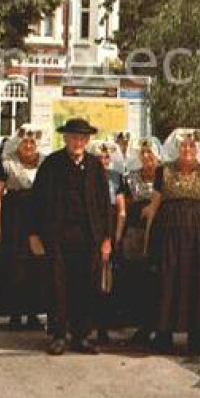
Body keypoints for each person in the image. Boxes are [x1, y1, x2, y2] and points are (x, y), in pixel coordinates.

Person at [28, 118, 112, 356]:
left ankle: (81, 336)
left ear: (87, 141)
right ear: (65, 138)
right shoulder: (51, 165)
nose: (78, 142)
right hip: (58, 236)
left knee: (86, 285)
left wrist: (107, 238)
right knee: (58, 285)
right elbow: (36, 201)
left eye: (83, 138)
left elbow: (105, 205)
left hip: (89, 237)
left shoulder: (96, 167)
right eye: (74, 137)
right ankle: (58, 335)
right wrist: (34, 233)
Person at [145, 128, 200, 355]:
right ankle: (163, 334)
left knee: (197, 281)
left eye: (191, 146)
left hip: (199, 236)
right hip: (169, 234)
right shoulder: (162, 171)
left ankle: (196, 337)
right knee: (168, 280)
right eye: (183, 146)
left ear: (198, 149)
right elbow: (155, 204)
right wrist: (148, 238)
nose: (187, 150)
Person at [0, 125, 48, 330]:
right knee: (14, 264)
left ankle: (34, 312)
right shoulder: (7, 163)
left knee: (37, 263)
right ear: (18, 144)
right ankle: (15, 312)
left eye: (32, 142)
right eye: (24, 142)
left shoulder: (45, 163)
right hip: (14, 219)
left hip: (37, 216)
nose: (28, 146)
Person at [120, 137, 163, 348]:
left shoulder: (165, 177)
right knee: (138, 278)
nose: (146, 157)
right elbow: (126, 206)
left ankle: (159, 327)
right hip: (136, 232)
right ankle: (142, 327)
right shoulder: (131, 178)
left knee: (158, 279)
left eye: (150, 153)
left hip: (159, 234)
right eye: (143, 153)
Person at [87, 138, 127, 345]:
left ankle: (103, 327)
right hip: (89, 231)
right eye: (99, 156)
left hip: (108, 230)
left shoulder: (116, 178)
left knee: (106, 281)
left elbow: (121, 210)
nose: (104, 159)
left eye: (107, 156)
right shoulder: (86, 175)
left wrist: (116, 236)